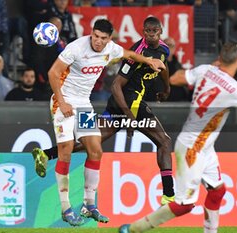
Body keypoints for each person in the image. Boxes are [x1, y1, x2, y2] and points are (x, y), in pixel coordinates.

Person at [118, 42, 237, 233]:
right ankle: (132, 229)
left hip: (203, 146)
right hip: (193, 149)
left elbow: (177, 78)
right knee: (184, 205)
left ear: (220, 57)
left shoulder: (206, 69)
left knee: (218, 190)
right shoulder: (234, 89)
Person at [33, 17, 175, 207]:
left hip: (107, 104)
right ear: (143, 31)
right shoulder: (130, 51)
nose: (151, 35)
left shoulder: (160, 49)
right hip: (122, 104)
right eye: (148, 31)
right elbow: (116, 85)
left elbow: (157, 64)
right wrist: (129, 116)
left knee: (93, 144)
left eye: (154, 31)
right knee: (164, 141)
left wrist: (166, 87)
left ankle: (47, 154)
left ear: (161, 31)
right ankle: (170, 196)